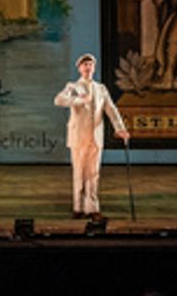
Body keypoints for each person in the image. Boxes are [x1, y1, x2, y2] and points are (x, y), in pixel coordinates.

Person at [54, 53, 130, 221]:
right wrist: (79, 100)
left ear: (94, 68)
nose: (87, 67)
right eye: (84, 64)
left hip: (95, 136)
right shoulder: (73, 86)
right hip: (78, 136)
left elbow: (111, 109)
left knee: (93, 173)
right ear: (79, 68)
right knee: (79, 173)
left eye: (90, 64)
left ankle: (93, 209)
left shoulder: (101, 88)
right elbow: (58, 100)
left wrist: (120, 129)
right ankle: (78, 207)